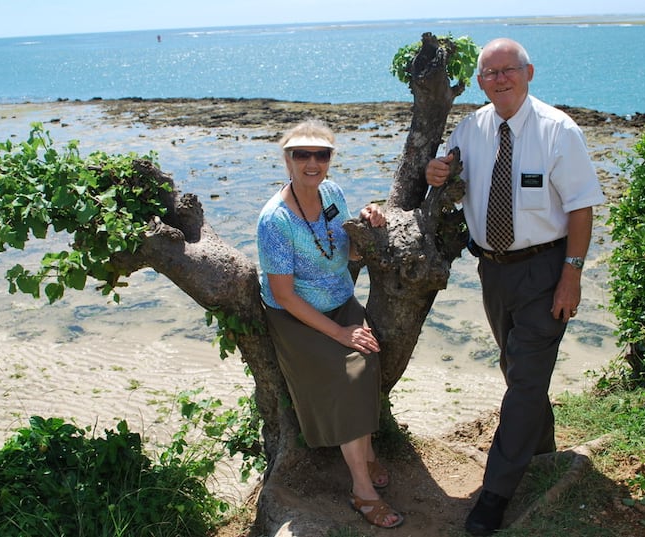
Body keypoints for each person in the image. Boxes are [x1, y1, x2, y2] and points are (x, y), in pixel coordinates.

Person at [425, 38, 605, 535]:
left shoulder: (557, 130)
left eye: (509, 70)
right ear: (480, 82)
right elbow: (447, 171)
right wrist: (435, 170)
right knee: (516, 369)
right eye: (491, 73)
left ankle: (496, 493)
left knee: (524, 379)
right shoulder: (472, 128)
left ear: (529, 73)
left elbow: (582, 207)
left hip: (546, 269)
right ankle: (542, 453)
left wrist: (573, 274)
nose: (500, 79)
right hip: (493, 271)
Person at [256, 119, 403, 529]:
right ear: (286, 158)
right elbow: (284, 294)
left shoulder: (333, 193)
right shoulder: (275, 220)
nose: (311, 162)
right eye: (301, 154)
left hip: (340, 301)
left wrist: (369, 219)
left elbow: (347, 249)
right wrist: (339, 333)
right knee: (346, 380)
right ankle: (362, 489)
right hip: (297, 316)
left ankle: (367, 453)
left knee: (369, 360)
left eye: (321, 154)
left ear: (329, 160)